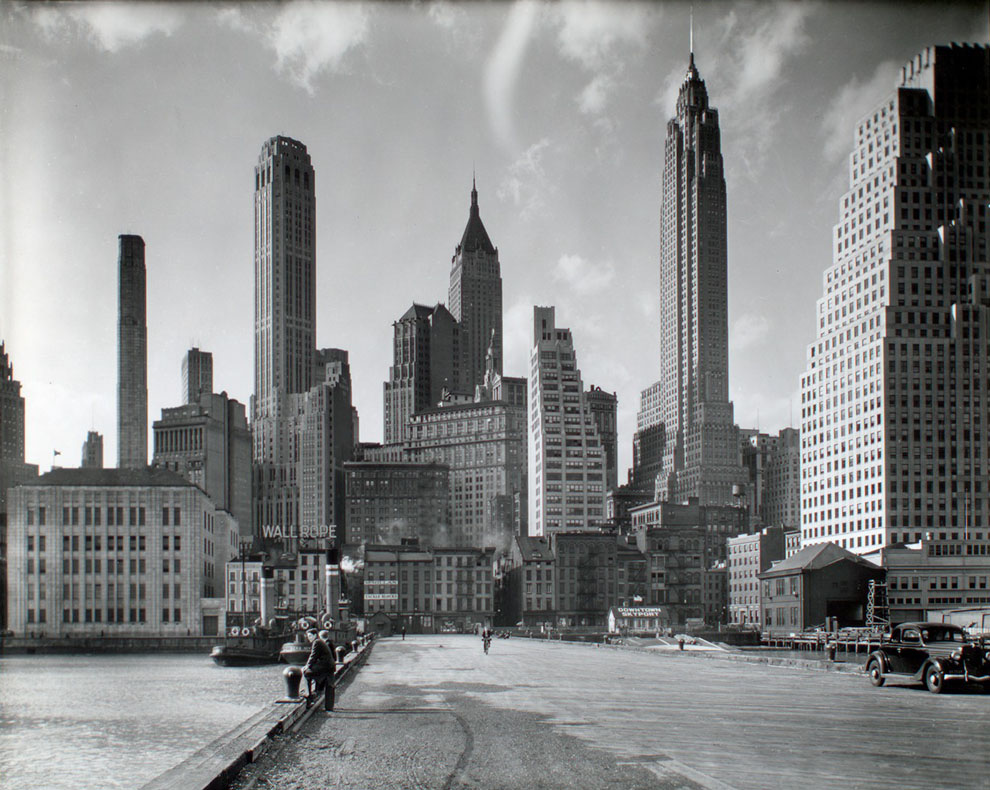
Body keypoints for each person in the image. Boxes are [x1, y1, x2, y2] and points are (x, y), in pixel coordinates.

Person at [303, 629, 336, 710]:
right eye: (308, 637)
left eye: (310, 636)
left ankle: (308, 695)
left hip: (325, 667)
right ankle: (328, 706)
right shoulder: (320, 641)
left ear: (315, 635)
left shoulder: (317, 642)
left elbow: (313, 656)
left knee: (306, 673)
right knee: (329, 685)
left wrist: (307, 666)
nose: (309, 638)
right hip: (330, 666)